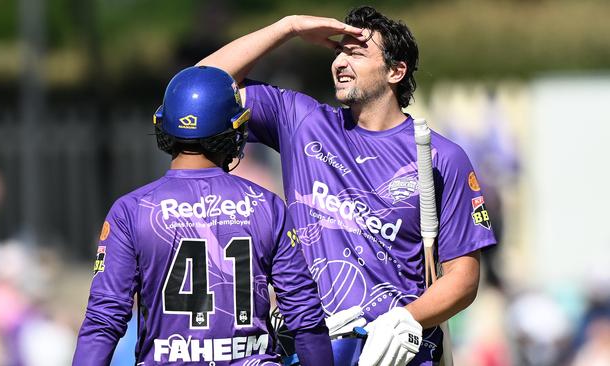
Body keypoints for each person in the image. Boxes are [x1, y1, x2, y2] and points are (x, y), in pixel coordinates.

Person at [197, 6, 497, 366]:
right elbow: (199, 86)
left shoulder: (439, 156)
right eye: (339, 50)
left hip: (397, 356)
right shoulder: (302, 121)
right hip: (310, 352)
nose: (340, 61)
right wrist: (288, 27)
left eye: (356, 52)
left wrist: (402, 321)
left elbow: (463, 279)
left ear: (395, 71)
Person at [73, 66, 332, 365]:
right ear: (234, 129)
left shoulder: (130, 211)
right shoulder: (268, 205)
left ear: (163, 126)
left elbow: (103, 322)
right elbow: (305, 314)